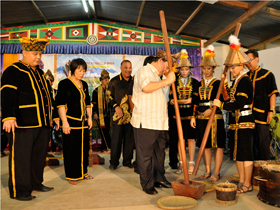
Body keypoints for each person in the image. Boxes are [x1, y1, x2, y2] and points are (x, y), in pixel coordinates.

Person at [1, 37, 59, 201]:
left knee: (38, 156)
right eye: (35, 53)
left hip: (42, 124)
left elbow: (49, 97)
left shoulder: (40, 73)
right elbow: (7, 95)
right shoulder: (13, 70)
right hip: (22, 124)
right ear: (24, 52)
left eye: (40, 54)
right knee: (21, 158)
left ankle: (36, 183)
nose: (38, 57)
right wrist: (8, 117)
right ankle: (20, 190)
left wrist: (54, 116)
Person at [214, 34, 255, 193]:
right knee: (238, 154)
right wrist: (223, 83)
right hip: (236, 122)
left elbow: (237, 103)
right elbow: (229, 98)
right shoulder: (237, 81)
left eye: (234, 66)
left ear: (242, 66)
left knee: (245, 154)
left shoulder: (245, 81)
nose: (231, 69)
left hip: (245, 120)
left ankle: (247, 184)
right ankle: (242, 182)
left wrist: (222, 104)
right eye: (230, 67)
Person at [130, 54, 175, 195]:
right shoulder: (144, 71)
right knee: (145, 156)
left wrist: (166, 81)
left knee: (159, 154)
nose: (167, 69)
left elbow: (163, 97)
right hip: (146, 122)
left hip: (160, 123)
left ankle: (159, 178)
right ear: (160, 61)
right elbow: (146, 88)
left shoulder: (158, 77)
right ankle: (147, 184)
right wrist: (167, 79)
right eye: (167, 65)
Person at [191, 45, 225, 182]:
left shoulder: (219, 83)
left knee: (217, 145)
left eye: (209, 68)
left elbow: (223, 98)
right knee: (205, 145)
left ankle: (216, 172)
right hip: (200, 118)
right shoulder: (197, 84)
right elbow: (194, 101)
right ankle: (207, 170)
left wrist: (212, 109)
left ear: (213, 69)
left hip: (215, 117)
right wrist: (193, 116)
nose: (206, 71)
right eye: (204, 68)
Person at [56, 58, 93, 185]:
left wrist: (89, 118)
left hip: (83, 123)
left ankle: (83, 172)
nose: (82, 73)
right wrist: (64, 122)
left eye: (83, 70)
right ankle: (72, 175)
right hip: (71, 122)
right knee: (71, 150)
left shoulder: (85, 84)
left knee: (83, 149)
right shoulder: (64, 84)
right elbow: (60, 104)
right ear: (73, 70)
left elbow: (87, 102)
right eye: (79, 70)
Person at [245, 49, 279, 160]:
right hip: (249, 117)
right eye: (246, 61)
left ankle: (265, 172)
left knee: (264, 146)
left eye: (250, 60)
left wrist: (271, 111)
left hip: (263, 117)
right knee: (251, 147)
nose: (248, 63)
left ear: (257, 59)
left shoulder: (267, 74)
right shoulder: (245, 77)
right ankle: (254, 173)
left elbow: (272, 94)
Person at [168, 49, 198, 175]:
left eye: (186, 69)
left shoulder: (195, 82)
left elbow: (195, 100)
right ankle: (181, 162)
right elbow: (171, 101)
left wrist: (193, 115)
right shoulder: (173, 83)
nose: (184, 72)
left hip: (190, 115)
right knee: (180, 139)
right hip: (178, 116)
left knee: (190, 139)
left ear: (190, 69)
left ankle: (191, 162)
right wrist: (184, 102)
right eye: (182, 69)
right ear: (179, 70)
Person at [108, 60, 134, 170]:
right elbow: (108, 97)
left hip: (131, 115)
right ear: (121, 68)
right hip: (117, 116)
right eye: (125, 67)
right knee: (116, 140)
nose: (128, 70)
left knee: (129, 140)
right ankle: (114, 162)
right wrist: (116, 106)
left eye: (130, 67)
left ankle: (127, 161)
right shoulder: (114, 81)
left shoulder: (134, 81)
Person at [92, 69, 111, 153]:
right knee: (103, 132)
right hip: (100, 115)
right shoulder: (96, 91)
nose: (107, 81)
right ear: (101, 80)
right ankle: (105, 147)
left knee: (108, 131)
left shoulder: (110, 90)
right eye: (105, 79)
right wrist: (95, 113)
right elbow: (94, 103)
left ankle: (108, 147)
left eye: (108, 79)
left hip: (109, 114)